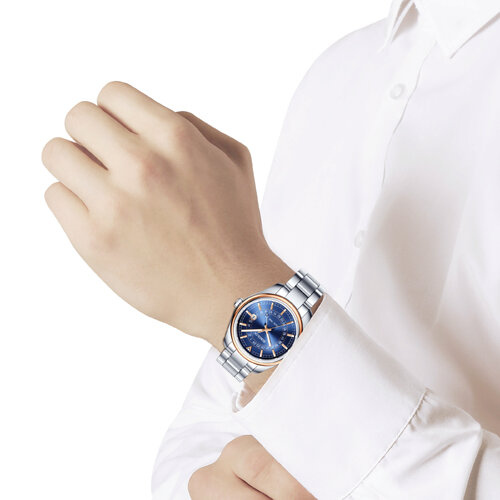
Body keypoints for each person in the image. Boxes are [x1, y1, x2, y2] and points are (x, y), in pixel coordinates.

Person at [42, 0, 500, 498]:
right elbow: (215, 415)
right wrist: (206, 481)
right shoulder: (343, 71)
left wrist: (237, 293)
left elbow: (247, 325)